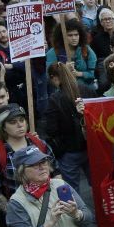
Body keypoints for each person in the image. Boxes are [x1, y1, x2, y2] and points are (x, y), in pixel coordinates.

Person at [0, 104, 54, 227]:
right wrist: (16, 215)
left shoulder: (38, 143)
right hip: (20, 213)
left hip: (50, 205)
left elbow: (56, 170)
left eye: (22, 120)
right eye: (13, 122)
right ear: (3, 127)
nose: (20, 125)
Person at [43, 63, 89, 192]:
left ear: (54, 78)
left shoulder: (54, 99)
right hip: (90, 146)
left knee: (72, 191)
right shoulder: (86, 89)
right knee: (98, 183)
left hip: (69, 151)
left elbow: (51, 129)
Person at [46, 19, 97, 97]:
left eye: (76, 35)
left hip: (85, 90)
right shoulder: (53, 52)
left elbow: (93, 73)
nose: (74, 38)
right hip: (63, 91)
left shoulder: (86, 50)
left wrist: (79, 74)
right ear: (62, 36)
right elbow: (50, 75)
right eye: (70, 35)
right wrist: (64, 69)